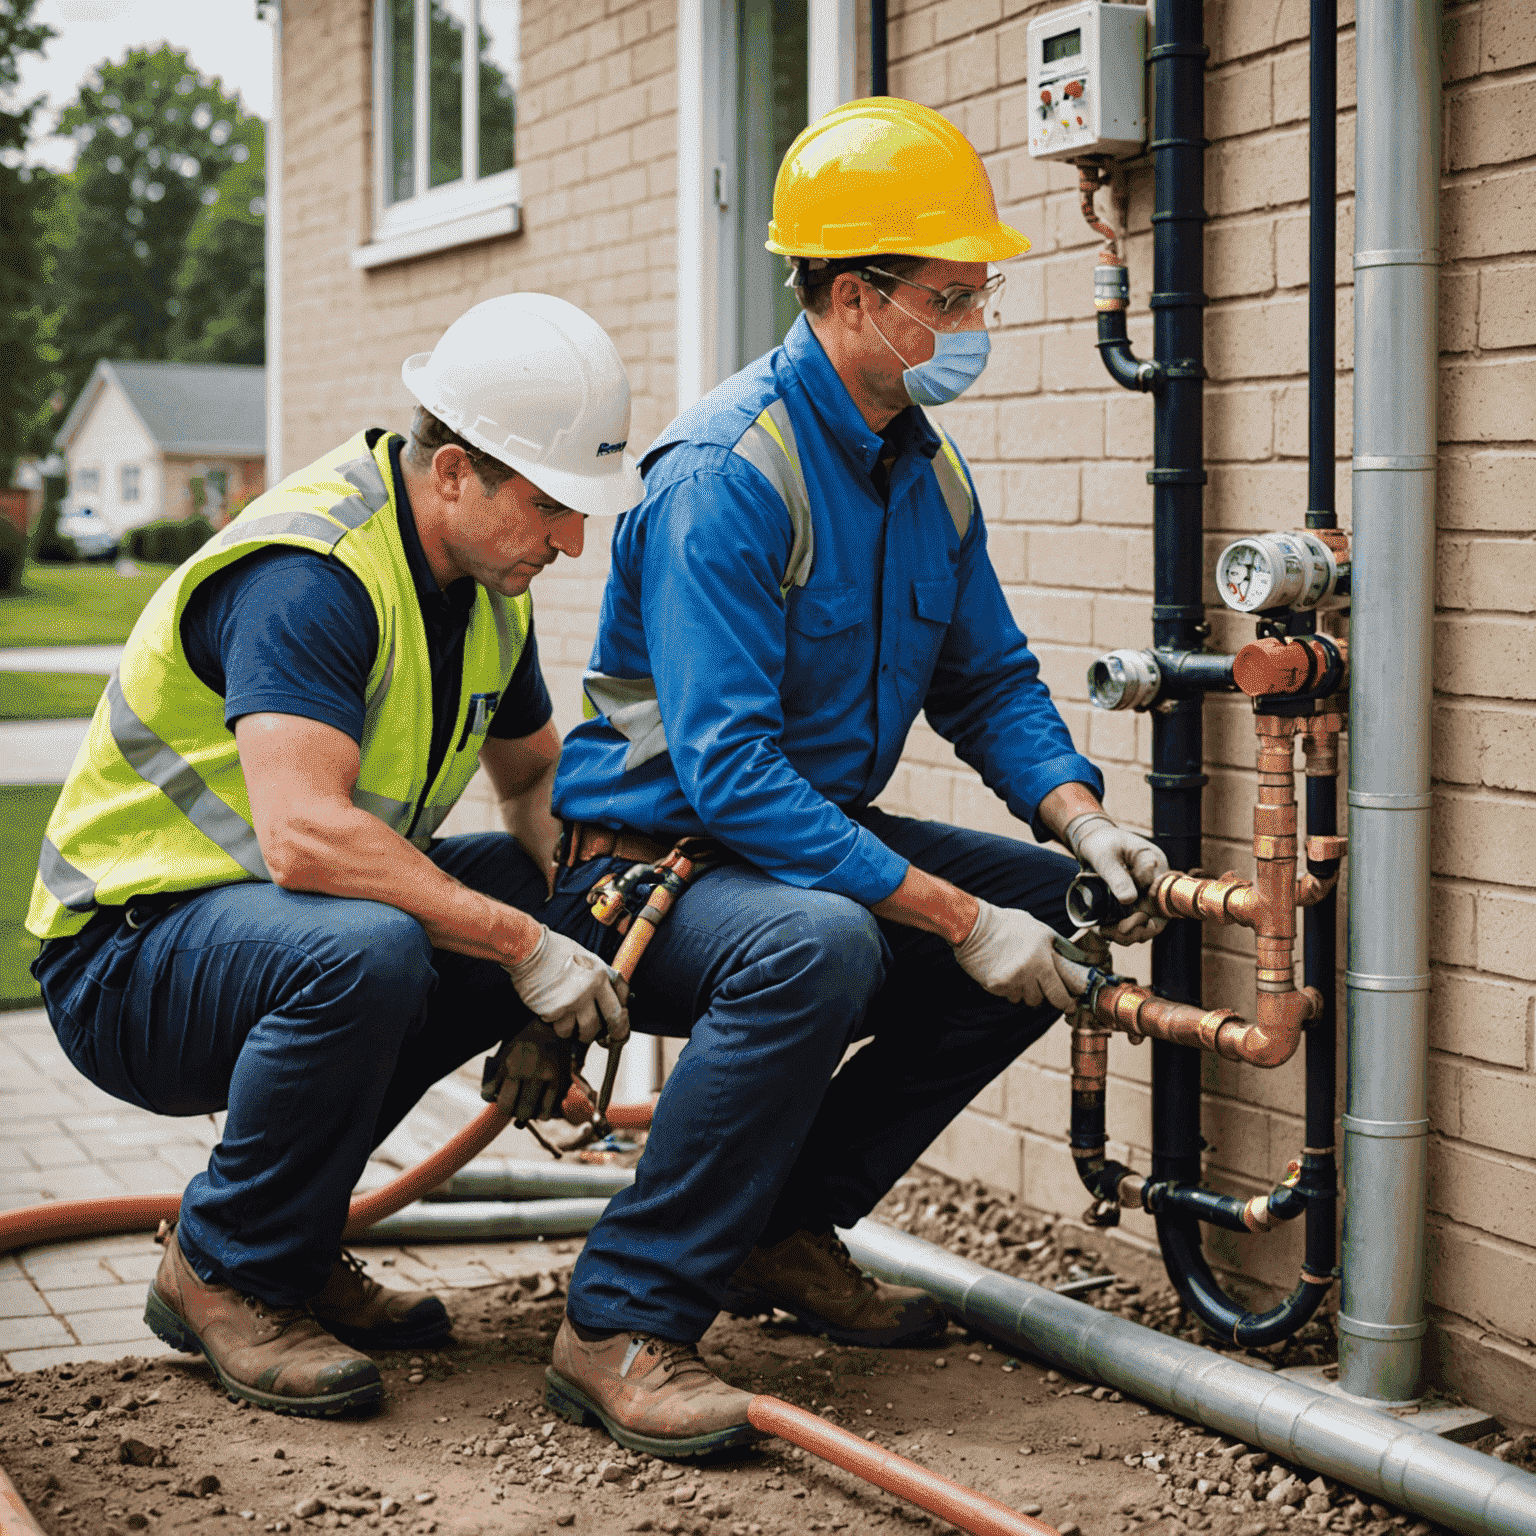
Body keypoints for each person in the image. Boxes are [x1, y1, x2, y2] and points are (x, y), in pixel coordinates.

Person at [539, 99, 1170, 1457]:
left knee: (1060, 910)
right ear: (849, 294)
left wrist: (1084, 820)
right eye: (948, 297)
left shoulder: (924, 475)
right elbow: (724, 770)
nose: (970, 324)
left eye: (975, 294)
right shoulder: (729, 470)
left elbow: (988, 681)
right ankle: (619, 1319)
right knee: (821, 944)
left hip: (798, 835)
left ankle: (780, 1226)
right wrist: (951, 914)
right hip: (654, 866)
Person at [25, 293, 644, 1418]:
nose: (572, 541)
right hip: (123, 955)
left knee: (524, 888)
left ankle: (290, 1244)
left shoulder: (484, 593)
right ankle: (226, 1271)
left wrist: (575, 946)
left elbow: (535, 785)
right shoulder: (314, 572)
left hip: (267, 933)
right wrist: (523, 950)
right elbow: (304, 838)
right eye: (552, 504)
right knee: (374, 947)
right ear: (453, 471)